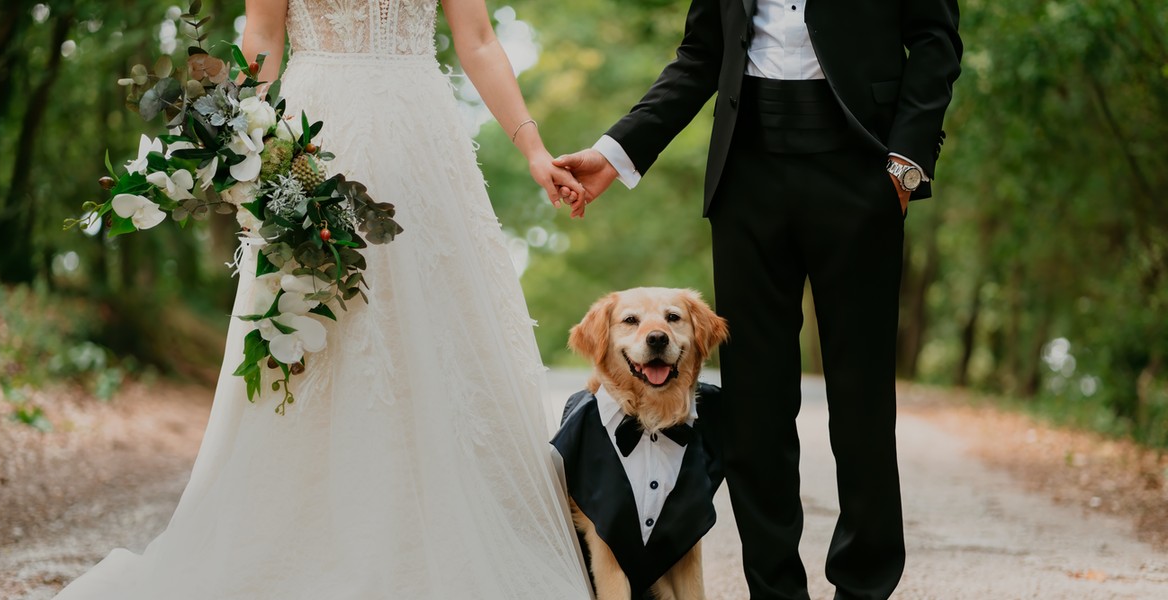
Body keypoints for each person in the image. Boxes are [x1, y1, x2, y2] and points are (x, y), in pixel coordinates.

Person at [53, 1, 593, 598]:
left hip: (423, 141)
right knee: (317, 320)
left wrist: (534, 149)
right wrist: (229, 143)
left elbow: (481, 40)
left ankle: (446, 539)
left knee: (436, 325)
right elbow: (262, 33)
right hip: (314, 133)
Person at [554, 1, 962, 598]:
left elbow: (935, 40)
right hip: (747, 174)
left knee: (863, 398)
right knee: (755, 408)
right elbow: (700, 57)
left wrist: (906, 163)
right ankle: (774, 591)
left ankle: (865, 586)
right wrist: (615, 154)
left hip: (862, 167)